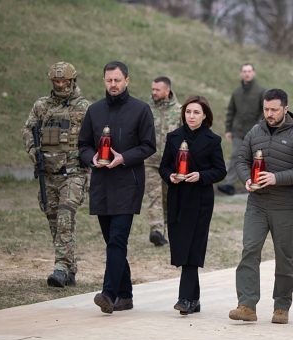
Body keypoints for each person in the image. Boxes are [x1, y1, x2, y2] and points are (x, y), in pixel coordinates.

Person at [228, 88, 293, 325]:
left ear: (285, 108)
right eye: (266, 109)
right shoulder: (255, 131)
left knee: (283, 256)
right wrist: (246, 178)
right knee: (250, 250)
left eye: (274, 109)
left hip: (284, 206)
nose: (269, 114)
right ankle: (246, 305)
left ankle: (281, 306)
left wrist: (277, 178)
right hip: (256, 204)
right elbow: (241, 160)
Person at [78, 61, 156, 314]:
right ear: (104, 81)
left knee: (117, 240)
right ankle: (126, 294)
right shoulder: (94, 110)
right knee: (111, 241)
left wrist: (123, 157)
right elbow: (83, 145)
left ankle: (109, 294)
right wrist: (91, 158)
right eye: (109, 80)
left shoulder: (141, 110)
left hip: (127, 183)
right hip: (101, 184)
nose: (113, 84)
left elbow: (148, 146)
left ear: (127, 81)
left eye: (117, 80)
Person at [22, 62, 90, 288]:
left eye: (64, 81)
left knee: (64, 218)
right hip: (48, 174)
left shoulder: (84, 107)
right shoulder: (42, 106)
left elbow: (94, 137)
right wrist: (34, 153)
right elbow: (28, 130)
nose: (60, 85)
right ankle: (70, 269)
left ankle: (60, 268)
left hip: (74, 174)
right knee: (54, 222)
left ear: (72, 81)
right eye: (56, 81)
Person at [159, 95, 226, 315]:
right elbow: (164, 167)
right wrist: (171, 177)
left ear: (205, 115)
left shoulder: (212, 140)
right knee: (181, 247)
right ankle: (194, 300)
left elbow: (220, 171)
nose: (191, 116)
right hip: (177, 198)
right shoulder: (174, 137)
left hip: (200, 200)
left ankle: (185, 299)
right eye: (188, 112)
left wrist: (201, 175)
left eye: (196, 112)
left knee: (193, 248)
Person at [218, 63, 265, 196]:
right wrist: (228, 129)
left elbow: (264, 112)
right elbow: (231, 111)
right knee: (236, 156)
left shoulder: (261, 91)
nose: (247, 74)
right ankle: (229, 184)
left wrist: (258, 126)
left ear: (253, 73)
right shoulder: (236, 92)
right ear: (241, 73)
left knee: (256, 158)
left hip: (255, 131)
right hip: (238, 131)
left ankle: (256, 183)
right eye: (244, 71)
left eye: (249, 71)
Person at [146, 76, 181, 246]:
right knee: (154, 197)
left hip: (172, 165)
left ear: (167, 91)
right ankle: (157, 231)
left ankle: (170, 228)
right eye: (152, 89)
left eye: (157, 90)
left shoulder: (180, 111)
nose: (153, 92)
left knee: (170, 198)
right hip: (150, 162)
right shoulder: (146, 110)